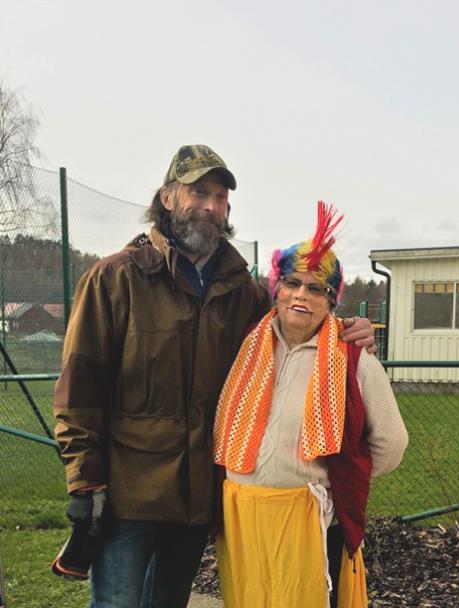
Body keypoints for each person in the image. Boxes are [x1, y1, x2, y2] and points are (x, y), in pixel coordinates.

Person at [52, 145, 376, 608]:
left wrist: (350, 329)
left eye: (221, 197)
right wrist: (86, 482)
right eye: (198, 191)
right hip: (127, 496)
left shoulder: (241, 292)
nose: (211, 205)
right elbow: (78, 391)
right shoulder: (114, 279)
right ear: (167, 197)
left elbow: (299, 318)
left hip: (197, 498)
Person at [213, 201, 409, 608]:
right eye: (292, 283)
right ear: (277, 288)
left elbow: (391, 442)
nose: (301, 294)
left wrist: (343, 480)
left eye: (316, 287)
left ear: (330, 299)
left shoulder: (353, 356)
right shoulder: (247, 342)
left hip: (309, 521)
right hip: (242, 518)